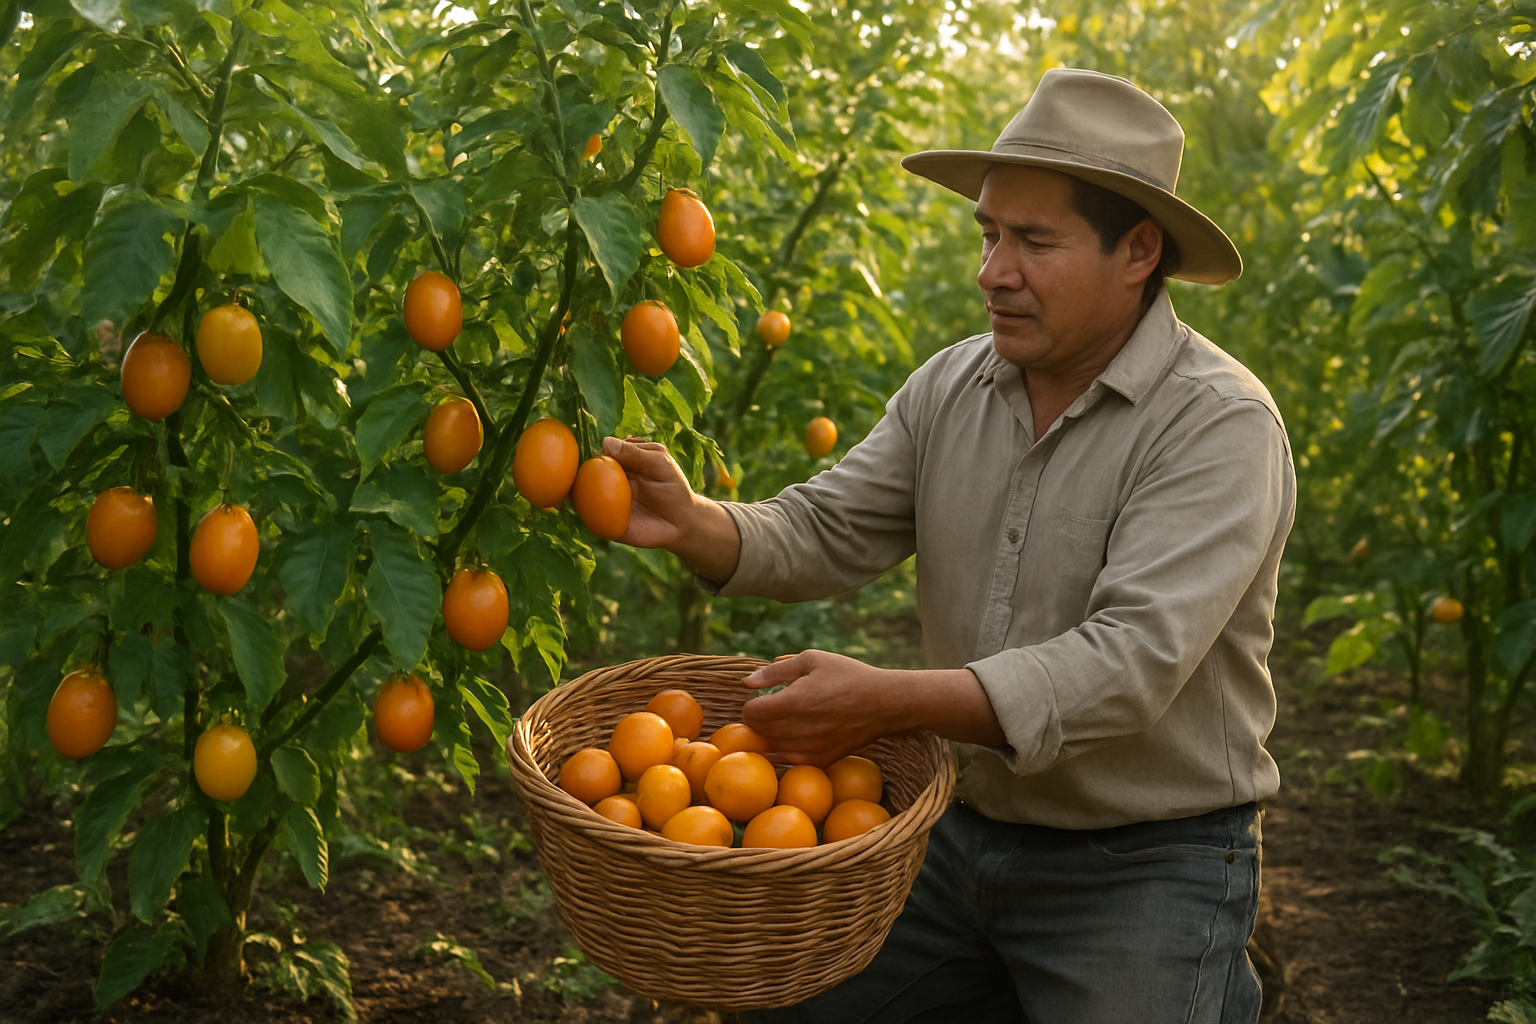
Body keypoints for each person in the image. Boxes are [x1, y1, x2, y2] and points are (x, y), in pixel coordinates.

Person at [603, 67, 1294, 1023]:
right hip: (957, 835)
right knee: (795, 1004)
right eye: (989, 234)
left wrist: (888, 702)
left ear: (1138, 250)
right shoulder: (953, 387)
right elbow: (831, 524)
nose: (993, 271)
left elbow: (1130, 663)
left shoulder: (1216, 426)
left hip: (1145, 861)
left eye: (1033, 241)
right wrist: (697, 523)